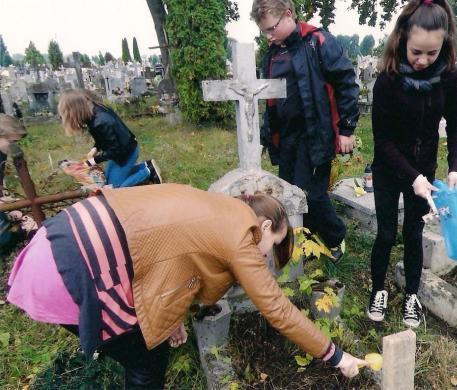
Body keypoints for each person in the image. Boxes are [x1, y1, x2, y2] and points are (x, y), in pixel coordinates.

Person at [7, 184, 367, 387]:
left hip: (59, 241)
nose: (264, 257)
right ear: (265, 224)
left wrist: (170, 318)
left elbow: (169, 259)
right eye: (272, 244)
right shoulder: (241, 232)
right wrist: (336, 355)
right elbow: (277, 310)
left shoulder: (216, 210)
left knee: (147, 345)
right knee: (146, 361)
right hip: (77, 271)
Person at [367, 0, 457, 327]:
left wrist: (454, 165)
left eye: (431, 53)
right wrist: (412, 177)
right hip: (389, 169)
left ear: (444, 45)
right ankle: (378, 288)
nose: (423, 60)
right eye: (416, 52)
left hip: (425, 171)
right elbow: (382, 140)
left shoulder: (449, 77)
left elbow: (455, 123)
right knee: (386, 233)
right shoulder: (387, 80)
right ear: (402, 40)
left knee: (413, 232)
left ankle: (411, 294)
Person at [252, 0, 360, 262]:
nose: (268, 36)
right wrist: (268, 136)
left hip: (316, 135)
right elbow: (271, 101)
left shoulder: (318, 42)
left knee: (311, 193)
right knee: (287, 192)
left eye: (271, 29)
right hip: (287, 138)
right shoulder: (273, 54)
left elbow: (346, 82)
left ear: (288, 15)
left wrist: (346, 129)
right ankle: (307, 243)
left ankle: (336, 239)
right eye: (264, 31)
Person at [57, 89, 162, 188]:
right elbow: (104, 138)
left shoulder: (100, 121)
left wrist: (91, 162)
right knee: (107, 179)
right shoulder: (94, 111)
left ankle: (148, 171)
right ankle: (146, 165)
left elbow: (114, 150)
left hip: (126, 153)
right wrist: (95, 148)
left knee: (114, 187)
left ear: (75, 110)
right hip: (123, 150)